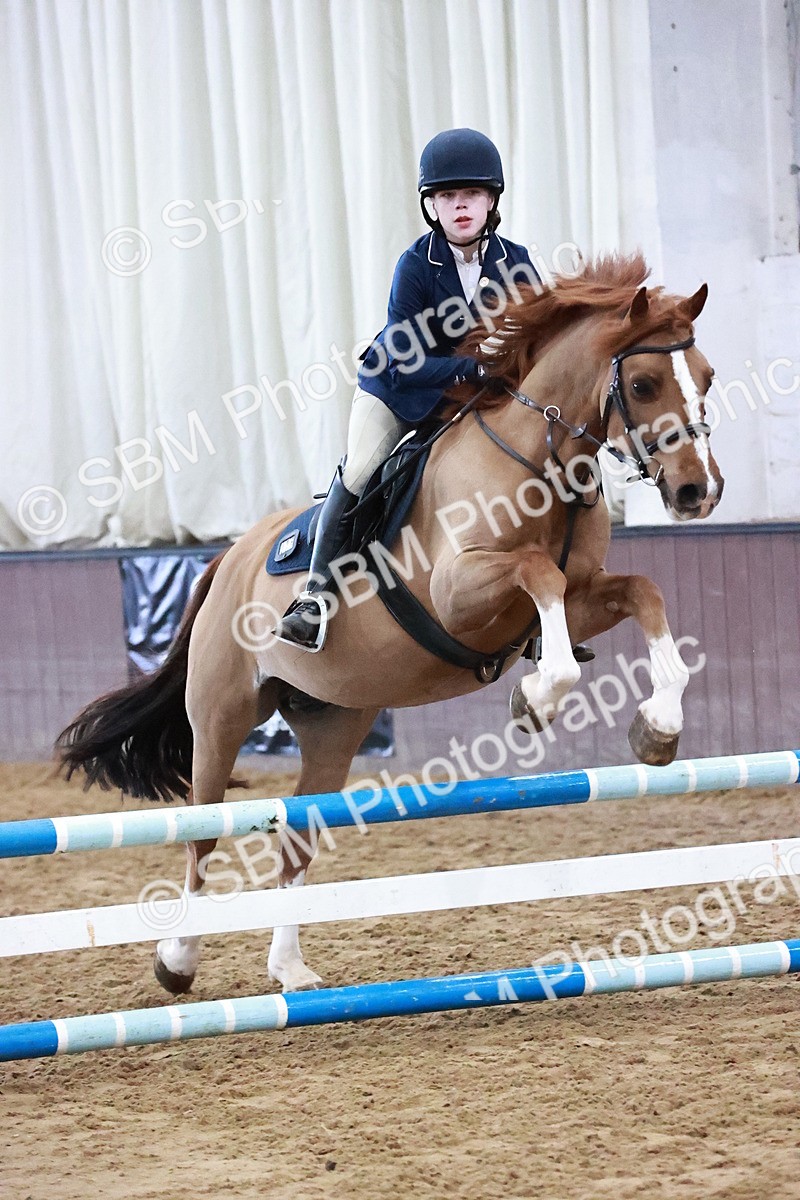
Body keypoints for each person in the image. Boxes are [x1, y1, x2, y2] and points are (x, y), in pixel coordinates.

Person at [276, 128, 539, 652]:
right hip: (398, 389)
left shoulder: (516, 262)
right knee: (361, 469)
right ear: (431, 206)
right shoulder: (416, 265)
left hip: (473, 397)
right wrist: (472, 370)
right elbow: (406, 358)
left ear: (492, 201)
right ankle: (314, 598)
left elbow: (537, 337)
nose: (460, 206)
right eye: (447, 196)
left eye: (471, 194)